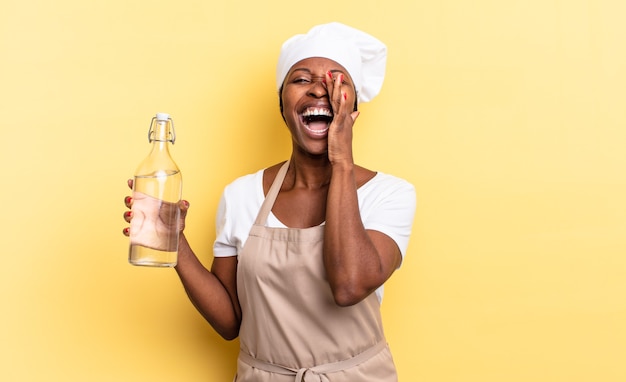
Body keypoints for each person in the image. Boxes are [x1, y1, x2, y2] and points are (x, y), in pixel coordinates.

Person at [123, 22, 416, 382]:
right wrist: (174, 242)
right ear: (282, 105)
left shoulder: (389, 194)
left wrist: (342, 160)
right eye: (301, 79)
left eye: (337, 80)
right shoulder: (241, 195)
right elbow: (231, 321)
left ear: (354, 107)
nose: (318, 90)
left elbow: (349, 285)